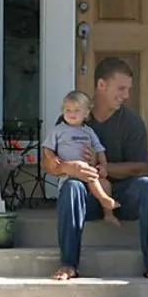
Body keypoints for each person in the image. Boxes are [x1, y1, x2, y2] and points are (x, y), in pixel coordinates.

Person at [41, 57, 148, 281]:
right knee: (71, 187)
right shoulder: (72, 117)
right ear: (101, 85)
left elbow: (138, 165)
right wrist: (68, 167)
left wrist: (102, 169)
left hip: (121, 196)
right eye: (121, 88)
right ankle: (69, 264)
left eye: (128, 89)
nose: (126, 95)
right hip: (86, 196)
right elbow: (48, 163)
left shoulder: (131, 122)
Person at [42, 91, 121, 226]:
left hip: (88, 171)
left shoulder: (88, 131)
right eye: (68, 110)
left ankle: (108, 213)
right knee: (81, 168)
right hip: (68, 174)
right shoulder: (59, 130)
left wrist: (103, 165)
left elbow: (99, 149)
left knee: (105, 183)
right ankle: (103, 199)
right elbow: (47, 148)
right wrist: (52, 157)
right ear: (63, 112)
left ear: (86, 113)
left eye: (77, 110)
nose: (72, 114)